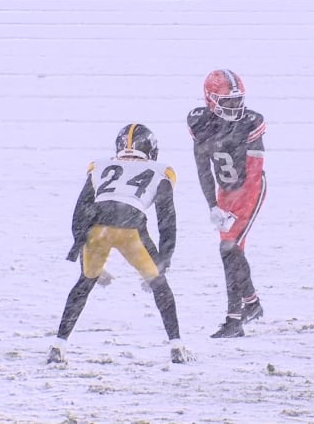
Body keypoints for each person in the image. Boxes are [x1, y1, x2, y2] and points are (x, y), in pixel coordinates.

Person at [47, 123, 194, 364]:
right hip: (131, 228)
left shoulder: (101, 166)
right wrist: (164, 259)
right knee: (160, 286)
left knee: (84, 284)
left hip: (97, 228)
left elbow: (81, 209)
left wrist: (80, 246)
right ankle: (177, 347)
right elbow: (167, 217)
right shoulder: (160, 171)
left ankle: (58, 345)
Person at [187, 69, 267, 338]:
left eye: (237, 100)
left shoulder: (250, 122)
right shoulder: (201, 123)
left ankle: (235, 320)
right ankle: (252, 304)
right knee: (232, 252)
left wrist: (236, 209)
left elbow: (254, 172)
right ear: (210, 100)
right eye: (228, 101)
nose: (234, 106)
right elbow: (202, 168)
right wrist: (213, 205)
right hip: (225, 193)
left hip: (249, 189)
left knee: (229, 249)